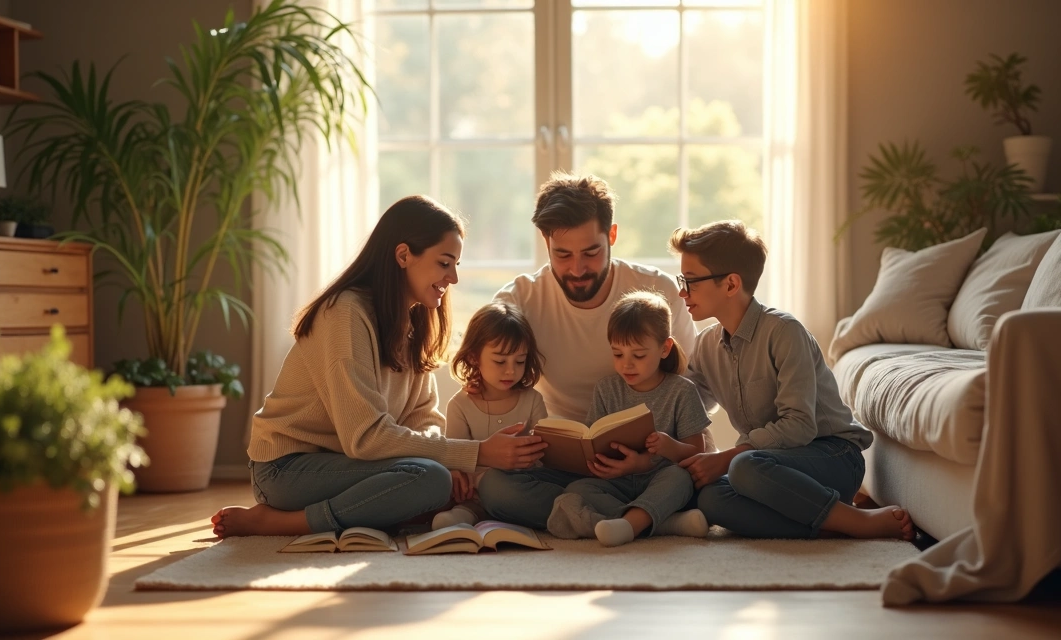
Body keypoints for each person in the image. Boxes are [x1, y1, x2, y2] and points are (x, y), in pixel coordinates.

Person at [210, 196, 547, 539]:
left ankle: (372, 513)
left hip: (349, 466)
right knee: (429, 479)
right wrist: (474, 453)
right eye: (445, 263)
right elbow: (365, 438)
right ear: (403, 255)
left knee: (437, 481)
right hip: (286, 470)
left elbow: (423, 416)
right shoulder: (345, 313)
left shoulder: (414, 320)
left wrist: (450, 460)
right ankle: (282, 523)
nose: (454, 277)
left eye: (456, 264)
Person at [479, 172, 701, 529]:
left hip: (654, 460)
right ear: (545, 241)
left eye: (591, 252)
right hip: (567, 464)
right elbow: (487, 381)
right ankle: (654, 520)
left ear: (612, 235)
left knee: (688, 478)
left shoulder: (655, 291)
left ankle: (599, 516)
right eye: (562, 254)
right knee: (494, 487)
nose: (577, 269)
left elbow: (693, 382)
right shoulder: (519, 300)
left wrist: (663, 451)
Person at [669, 220, 915, 541]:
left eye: (690, 281)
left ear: (730, 284)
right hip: (772, 467)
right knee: (710, 498)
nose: (682, 291)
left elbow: (799, 426)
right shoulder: (706, 345)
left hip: (833, 457)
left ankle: (859, 521)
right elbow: (683, 408)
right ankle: (830, 523)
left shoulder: (784, 332)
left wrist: (726, 458)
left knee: (742, 466)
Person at [546, 290, 713, 547]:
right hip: (618, 483)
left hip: (660, 479)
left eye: (639, 355)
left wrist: (668, 447)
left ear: (664, 348)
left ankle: (631, 524)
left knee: (680, 478)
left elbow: (697, 453)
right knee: (575, 492)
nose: (627, 365)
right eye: (618, 354)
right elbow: (593, 439)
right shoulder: (607, 389)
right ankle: (662, 523)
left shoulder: (681, 391)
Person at [432, 301, 549, 530]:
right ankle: (475, 514)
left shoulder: (532, 400)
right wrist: (455, 472)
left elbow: (544, 457)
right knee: (468, 493)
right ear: (474, 357)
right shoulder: (460, 405)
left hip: (522, 485)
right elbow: (455, 455)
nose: (510, 370)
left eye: (520, 361)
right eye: (500, 361)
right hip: (477, 494)